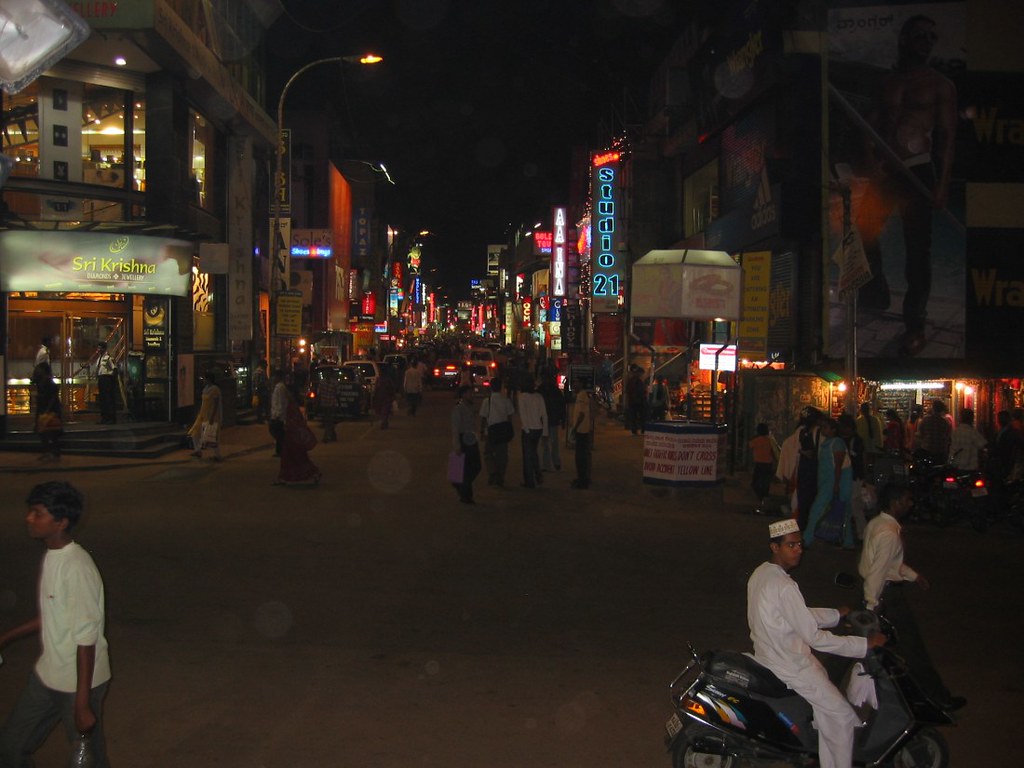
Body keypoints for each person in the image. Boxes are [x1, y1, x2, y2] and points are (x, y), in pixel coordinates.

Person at [856, 14, 958, 357]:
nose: (926, 41)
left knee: (917, 253)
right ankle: (876, 292)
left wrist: (942, 184)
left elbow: (946, 137)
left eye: (931, 37)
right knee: (863, 232)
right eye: (920, 35)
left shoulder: (940, 85)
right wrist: (871, 162)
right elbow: (870, 125)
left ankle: (915, 324)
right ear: (905, 38)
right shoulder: (888, 82)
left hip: (917, 172)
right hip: (885, 172)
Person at [748, 518, 885, 768]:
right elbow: (814, 637)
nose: (798, 550)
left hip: (770, 656)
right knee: (842, 716)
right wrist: (863, 645)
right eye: (791, 545)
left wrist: (836, 615)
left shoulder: (761, 574)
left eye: (800, 544)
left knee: (826, 713)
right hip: (792, 666)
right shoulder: (784, 585)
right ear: (775, 547)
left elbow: (796, 615)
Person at [0, 481, 112, 767]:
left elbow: (86, 639)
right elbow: (51, 615)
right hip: (47, 674)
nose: (28, 518)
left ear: (60, 522)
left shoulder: (77, 567)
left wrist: (82, 704)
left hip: (79, 683)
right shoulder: (53, 556)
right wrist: (5, 638)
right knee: (10, 748)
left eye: (37, 513)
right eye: (30, 511)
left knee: (89, 761)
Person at [859, 484, 966, 712]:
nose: (910, 504)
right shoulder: (889, 533)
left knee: (893, 648)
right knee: (913, 649)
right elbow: (878, 572)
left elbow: (887, 564)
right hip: (887, 596)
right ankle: (937, 698)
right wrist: (871, 605)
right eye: (907, 500)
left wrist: (914, 576)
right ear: (895, 502)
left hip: (882, 592)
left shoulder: (877, 523)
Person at [804, 417, 855, 549]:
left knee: (818, 510)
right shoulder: (828, 443)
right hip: (829, 483)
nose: (822, 429)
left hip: (834, 483)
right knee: (842, 511)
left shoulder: (836, 443)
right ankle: (847, 541)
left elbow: (838, 466)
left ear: (833, 430)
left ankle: (807, 538)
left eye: (825, 427)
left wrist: (836, 484)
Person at [275, 386, 320, 485]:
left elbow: (293, 421)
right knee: (294, 457)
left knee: (295, 457)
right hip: (292, 434)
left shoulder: (291, 406)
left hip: (293, 435)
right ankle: (288, 476)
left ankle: (305, 474)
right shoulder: (291, 405)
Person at [837, 413, 868, 542]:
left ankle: (860, 534)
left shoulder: (855, 440)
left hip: (854, 477)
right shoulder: (842, 439)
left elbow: (860, 459)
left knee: (854, 506)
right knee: (853, 506)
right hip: (850, 476)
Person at [479, 379, 515, 487]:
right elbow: (510, 416)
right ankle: (500, 477)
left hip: (491, 431)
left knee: (488, 453)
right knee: (502, 456)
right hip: (503, 431)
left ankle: (492, 472)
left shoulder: (487, 401)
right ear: (501, 387)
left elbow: (483, 418)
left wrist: (482, 431)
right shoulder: (506, 400)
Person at [451, 386, 481, 504]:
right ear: (463, 395)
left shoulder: (469, 408)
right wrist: (457, 445)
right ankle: (465, 494)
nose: (472, 395)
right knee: (469, 467)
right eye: (469, 393)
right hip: (464, 439)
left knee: (472, 467)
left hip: (470, 438)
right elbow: (455, 428)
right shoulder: (459, 409)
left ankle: (462, 488)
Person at [517, 380, 547, 488]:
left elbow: (523, 415)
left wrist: (526, 429)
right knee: (533, 453)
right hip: (538, 428)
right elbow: (544, 414)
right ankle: (538, 476)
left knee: (527, 457)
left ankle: (530, 481)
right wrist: (545, 431)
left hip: (528, 429)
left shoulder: (522, 397)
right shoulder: (538, 397)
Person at [795, 407, 822, 532]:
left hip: (809, 467)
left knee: (807, 497)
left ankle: (806, 525)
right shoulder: (806, 431)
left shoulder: (810, 431)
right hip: (809, 467)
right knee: (807, 497)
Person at [187, 369, 223, 460]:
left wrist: (212, 416)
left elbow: (216, 404)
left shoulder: (215, 389)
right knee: (195, 432)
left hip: (211, 415)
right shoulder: (205, 389)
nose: (203, 380)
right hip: (203, 414)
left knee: (211, 435)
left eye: (204, 379)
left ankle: (217, 455)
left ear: (208, 379)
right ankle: (197, 450)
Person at [33, 360, 63, 461]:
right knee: (47, 433)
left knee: (50, 433)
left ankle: (51, 453)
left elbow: (52, 398)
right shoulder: (44, 382)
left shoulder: (47, 383)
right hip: (47, 411)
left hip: (49, 411)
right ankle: (51, 453)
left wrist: (47, 410)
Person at [749, 423, 779, 515]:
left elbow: (749, 445)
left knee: (756, 483)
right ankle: (764, 501)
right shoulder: (770, 441)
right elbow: (774, 452)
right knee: (766, 483)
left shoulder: (756, 440)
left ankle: (761, 499)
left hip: (758, 464)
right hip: (768, 464)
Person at [538, 373, 565, 472]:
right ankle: (555, 462)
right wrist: (562, 419)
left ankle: (547, 464)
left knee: (546, 442)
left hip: (546, 420)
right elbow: (562, 405)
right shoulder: (555, 390)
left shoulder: (541, 390)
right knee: (552, 442)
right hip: (552, 419)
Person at [570, 387, 596, 489]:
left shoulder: (582, 396)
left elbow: (581, 414)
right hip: (585, 430)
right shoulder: (586, 396)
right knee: (584, 456)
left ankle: (582, 481)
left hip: (581, 430)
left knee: (580, 458)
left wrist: (575, 428)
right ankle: (584, 478)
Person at [914, 399, 952, 463]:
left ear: (933, 408)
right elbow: (947, 436)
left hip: (927, 449)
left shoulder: (925, 420)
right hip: (940, 451)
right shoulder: (945, 422)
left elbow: (920, 434)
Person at [855, 402, 884, 473]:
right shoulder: (875, 419)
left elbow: (858, 434)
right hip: (874, 446)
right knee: (874, 464)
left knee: (866, 463)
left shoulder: (859, 420)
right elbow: (879, 433)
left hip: (865, 446)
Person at [95, 342, 117, 424]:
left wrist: (112, 381)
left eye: (100, 348)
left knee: (108, 399)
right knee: (103, 399)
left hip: (107, 379)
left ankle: (110, 418)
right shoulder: (99, 359)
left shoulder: (108, 358)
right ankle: (104, 418)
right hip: (101, 379)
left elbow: (114, 368)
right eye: (98, 348)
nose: (98, 350)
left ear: (104, 349)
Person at [317, 369, 340, 443]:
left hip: (329, 403)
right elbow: (338, 394)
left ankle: (326, 436)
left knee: (328, 420)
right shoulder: (332, 383)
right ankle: (332, 435)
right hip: (327, 403)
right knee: (329, 420)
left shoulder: (324, 383)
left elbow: (319, 393)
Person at [269, 369, 288, 457]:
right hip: (277, 414)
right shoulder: (279, 387)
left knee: (278, 433)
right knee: (278, 433)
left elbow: (280, 402)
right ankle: (280, 450)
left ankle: (280, 450)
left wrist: (278, 414)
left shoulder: (280, 387)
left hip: (278, 415)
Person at [624, 366, 647, 435]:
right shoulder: (638, 381)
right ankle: (642, 429)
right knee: (642, 416)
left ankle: (634, 430)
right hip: (638, 401)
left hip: (632, 401)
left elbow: (627, 390)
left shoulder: (631, 380)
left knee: (633, 416)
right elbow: (641, 391)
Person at [252, 359, 269, 423]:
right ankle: (264, 419)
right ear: (263, 364)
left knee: (259, 406)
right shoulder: (262, 371)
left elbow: (254, 382)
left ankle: (259, 419)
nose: (267, 365)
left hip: (257, 391)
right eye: (266, 364)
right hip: (262, 391)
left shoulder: (255, 371)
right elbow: (261, 382)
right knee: (265, 405)